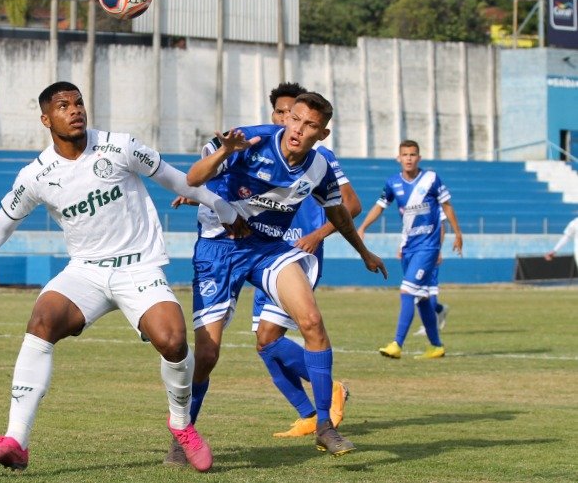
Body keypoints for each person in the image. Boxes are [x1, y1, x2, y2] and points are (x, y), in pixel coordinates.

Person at [0, 81, 249, 473]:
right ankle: (15, 441)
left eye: (78, 103)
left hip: (138, 266)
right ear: (46, 119)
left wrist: (222, 207)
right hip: (86, 271)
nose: (74, 110)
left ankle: (180, 423)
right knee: (42, 320)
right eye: (63, 106)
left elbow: (177, 179)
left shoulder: (120, 147)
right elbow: (0, 226)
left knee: (174, 342)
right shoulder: (36, 175)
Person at [182, 91, 387, 459]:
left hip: (268, 249)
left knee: (312, 321)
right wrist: (225, 153)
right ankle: (183, 431)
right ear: (286, 117)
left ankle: (324, 425)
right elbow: (193, 178)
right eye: (295, 119)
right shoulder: (251, 141)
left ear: (322, 134)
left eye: (309, 125)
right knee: (208, 353)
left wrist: (363, 252)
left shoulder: (319, 167)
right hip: (219, 248)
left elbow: (340, 213)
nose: (298, 129)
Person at [357, 140, 463, 360]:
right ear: (398, 158)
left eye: (413, 154)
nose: (408, 158)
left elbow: (447, 206)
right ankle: (436, 346)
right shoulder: (393, 183)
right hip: (408, 248)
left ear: (419, 158)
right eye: (405, 154)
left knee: (407, 291)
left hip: (428, 247)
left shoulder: (431, 179)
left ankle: (397, 344)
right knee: (421, 298)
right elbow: (380, 206)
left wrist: (458, 233)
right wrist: (363, 226)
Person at [413, 211, 449, 336]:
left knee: (429, 290)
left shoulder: (435, 204)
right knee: (416, 291)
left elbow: (441, 227)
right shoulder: (411, 204)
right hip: (415, 253)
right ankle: (439, 309)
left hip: (430, 252)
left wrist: (438, 250)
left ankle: (428, 326)